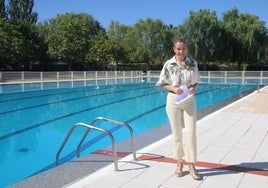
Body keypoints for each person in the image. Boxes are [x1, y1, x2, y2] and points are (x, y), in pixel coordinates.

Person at [156, 38, 201, 180]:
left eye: (183, 49)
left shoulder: (192, 63)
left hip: (188, 100)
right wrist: (174, 89)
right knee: (176, 134)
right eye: (178, 49)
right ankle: (179, 163)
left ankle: (192, 164)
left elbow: (196, 82)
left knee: (191, 133)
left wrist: (193, 88)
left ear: (186, 49)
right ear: (174, 49)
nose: (181, 52)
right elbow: (162, 83)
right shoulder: (168, 64)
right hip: (173, 100)